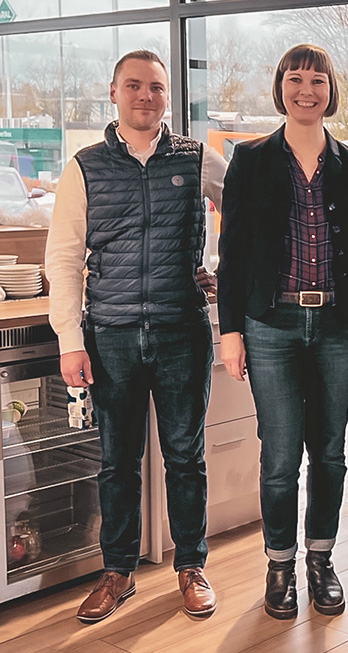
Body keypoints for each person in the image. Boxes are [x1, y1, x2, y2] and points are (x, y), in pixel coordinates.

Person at [46, 49, 226, 623]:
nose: (145, 96)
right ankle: (118, 572)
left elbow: (251, 220)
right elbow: (65, 256)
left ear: (168, 95)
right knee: (117, 461)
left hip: (182, 331)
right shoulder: (86, 166)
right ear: (114, 92)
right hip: (112, 336)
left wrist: (225, 270)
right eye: (134, 86)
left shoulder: (200, 159)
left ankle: (191, 567)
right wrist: (70, 338)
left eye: (155, 87)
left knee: (185, 457)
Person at [217, 44, 348, 620]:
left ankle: (321, 559)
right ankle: (280, 563)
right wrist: (230, 331)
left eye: (317, 80)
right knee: (281, 456)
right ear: (280, 86)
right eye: (295, 79)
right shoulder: (250, 159)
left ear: (330, 90)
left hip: (338, 325)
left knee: (331, 455)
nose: (306, 90)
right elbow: (231, 253)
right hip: (271, 326)